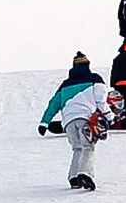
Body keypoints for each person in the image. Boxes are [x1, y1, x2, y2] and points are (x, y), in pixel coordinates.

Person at [37, 52, 113, 190]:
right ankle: (84, 174)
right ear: (87, 65)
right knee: (88, 147)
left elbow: (53, 104)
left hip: (68, 122)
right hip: (86, 119)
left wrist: (44, 123)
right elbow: (101, 101)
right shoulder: (95, 79)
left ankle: (73, 177)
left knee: (77, 148)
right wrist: (109, 116)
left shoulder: (65, 85)